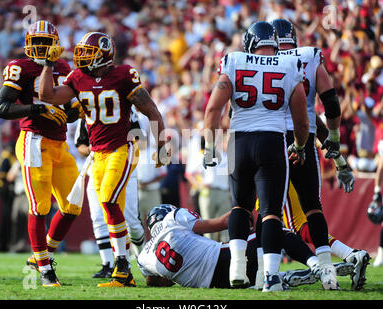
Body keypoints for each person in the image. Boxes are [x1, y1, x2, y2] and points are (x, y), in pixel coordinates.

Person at [38, 31, 169, 287]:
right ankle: (125, 270)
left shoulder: (123, 75)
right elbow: (47, 96)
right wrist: (47, 65)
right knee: (110, 210)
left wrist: (162, 145)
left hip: (122, 148)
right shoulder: (78, 77)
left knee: (109, 201)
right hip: (97, 154)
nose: (82, 57)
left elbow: (150, 109)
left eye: (89, 53)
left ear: (104, 54)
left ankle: (123, 267)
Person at [203, 21, 309, 292]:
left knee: (240, 206)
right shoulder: (287, 65)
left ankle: (237, 269)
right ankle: (270, 278)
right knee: (271, 212)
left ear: (250, 43)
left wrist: (211, 145)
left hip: (239, 141)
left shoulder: (234, 61)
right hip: (272, 141)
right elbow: (301, 116)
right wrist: (298, 145)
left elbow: (213, 108)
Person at [0, 20, 83, 287]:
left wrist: (72, 112)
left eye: (47, 42)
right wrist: (37, 109)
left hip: (59, 143)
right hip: (33, 140)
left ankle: (41, 256)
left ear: (55, 43)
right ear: (28, 44)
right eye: (38, 41)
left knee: (72, 205)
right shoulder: (20, 67)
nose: (42, 47)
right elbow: (1, 107)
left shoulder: (64, 67)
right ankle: (44, 270)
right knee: (40, 206)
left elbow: (71, 111)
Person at [270, 18, 349, 290]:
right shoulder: (310, 56)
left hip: (273, 138)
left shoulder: (263, 62)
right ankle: (328, 273)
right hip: (306, 135)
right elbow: (330, 102)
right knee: (312, 206)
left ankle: (265, 275)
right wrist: (335, 142)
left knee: (267, 212)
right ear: (294, 36)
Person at [137, 204, 354, 289]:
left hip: (215, 285)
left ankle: (284, 278)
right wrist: (243, 211)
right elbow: (220, 223)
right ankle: (316, 265)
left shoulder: (143, 257)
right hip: (227, 261)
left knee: (257, 271)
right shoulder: (173, 218)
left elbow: (157, 282)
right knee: (277, 231)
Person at [74, 111, 146, 278]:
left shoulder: (125, 104)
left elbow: (139, 137)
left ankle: (143, 260)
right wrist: (94, 148)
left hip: (122, 163)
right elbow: (80, 145)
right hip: (96, 165)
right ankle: (108, 263)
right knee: (99, 217)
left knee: (131, 221)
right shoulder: (86, 105)